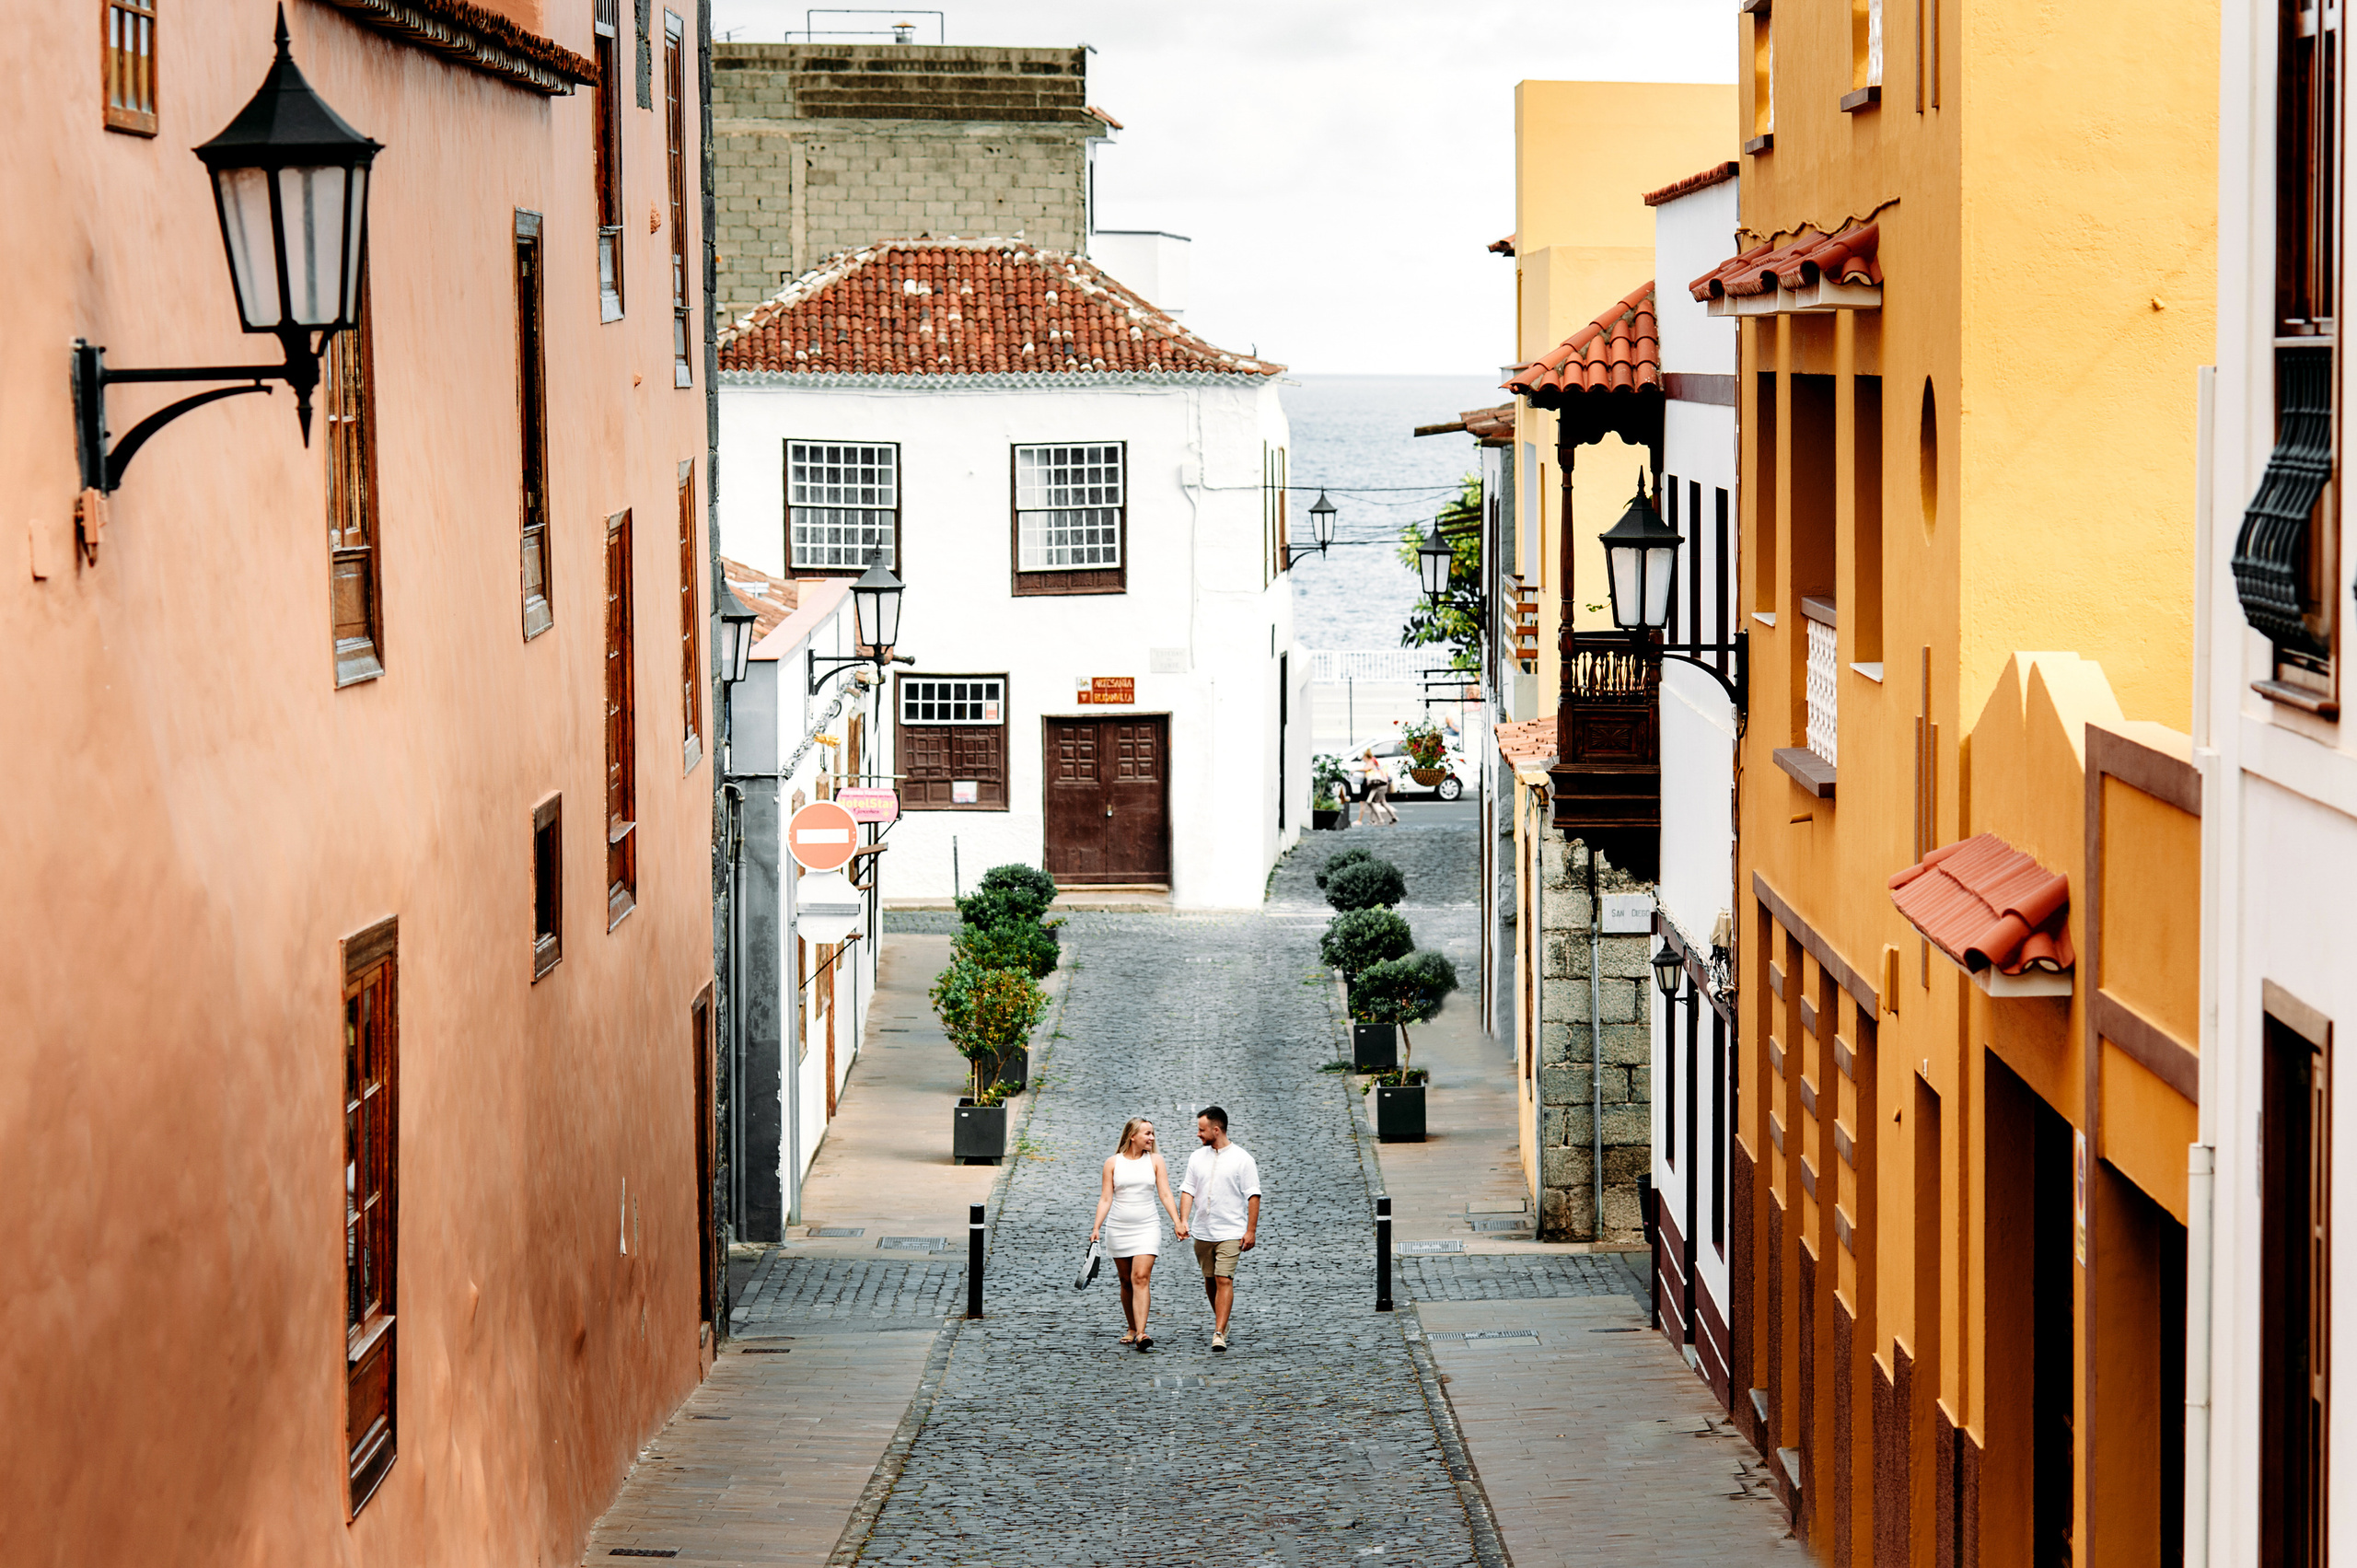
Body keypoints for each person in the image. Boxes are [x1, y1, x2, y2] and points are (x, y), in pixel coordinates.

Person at [1090, 1117, 1181, 1350]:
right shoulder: (1113, 1162)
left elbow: (1165, 1194)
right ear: (1132, 1136)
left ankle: (1141, 1333)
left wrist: (1177, 1221)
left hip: (1147, 1227)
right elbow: (1106, 1198)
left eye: (1152, 1134)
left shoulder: (1156, 1161)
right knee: (1125, 1280)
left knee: (1140, 1277)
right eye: (1147, 1133)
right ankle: (1131, 1327)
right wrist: (1096, 1228)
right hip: (1119, 1228)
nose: (1152, 1138)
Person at [1175, 1105, 1260, 1352]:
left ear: (1216, 1129)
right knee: (1210, 1279)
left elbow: (1253, 1195)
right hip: (1203, 1232)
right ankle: (1222, 1320)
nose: (1198, 1134)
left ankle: (1219, 1331)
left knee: (1224, 1278)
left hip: (1231, 1232)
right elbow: (1188, 1189)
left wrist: (1250, 1230)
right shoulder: (1196, 1157)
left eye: (1202, 1130)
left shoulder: (1243, 1159)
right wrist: (1183, 1220)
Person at [1358, 748, 1398, 827]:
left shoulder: (1371, 762)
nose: (1362, 759)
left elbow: (1366, 770)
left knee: (1372, 802)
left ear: (1365, 756)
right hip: (1379, 785)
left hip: (1378, 785)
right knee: (1379, 802)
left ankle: (1380, 820)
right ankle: (1391, 818)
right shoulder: (1373, 761)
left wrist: (1355, 770)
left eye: (1363, 758)